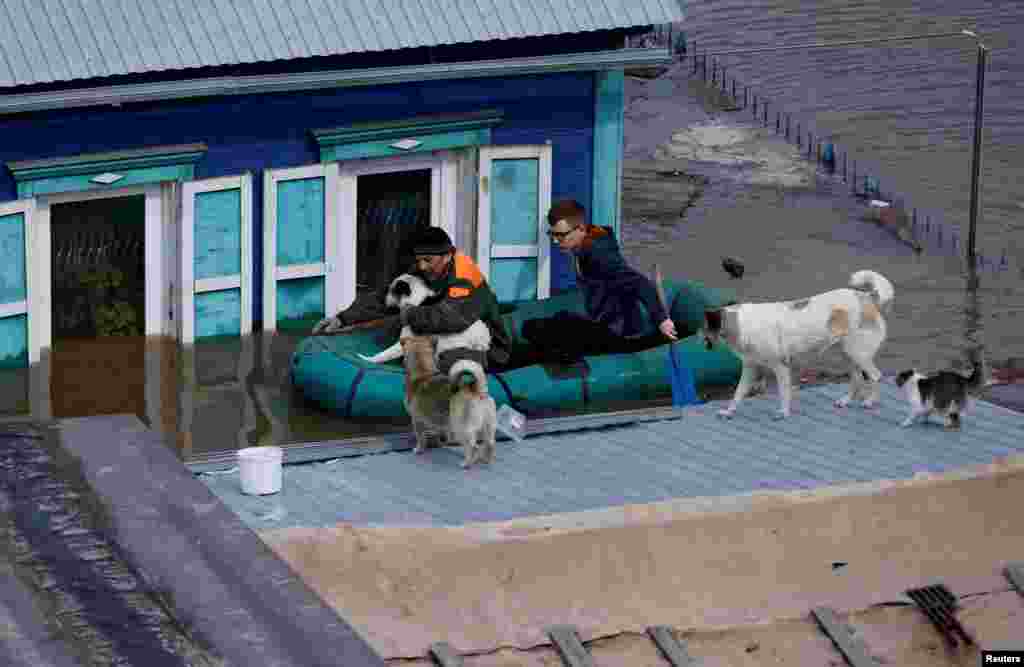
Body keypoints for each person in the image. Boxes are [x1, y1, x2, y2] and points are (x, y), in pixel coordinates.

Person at [315, 227, 511, 373]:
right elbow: (387, 296)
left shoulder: (464, 276)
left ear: (448, 255)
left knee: (434, 359)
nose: (422, 266)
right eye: (419, 260)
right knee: (408, 342)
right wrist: (342, 318)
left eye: (427, 260)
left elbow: (450, 319)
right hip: (447, 337)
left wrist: (409, 313)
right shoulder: (427, 268)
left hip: (487, 349)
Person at [522, 198, 678, 361]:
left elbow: (639, 283)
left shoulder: (599, 255)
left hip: (620, 334)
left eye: (561, 235)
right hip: (605, 321)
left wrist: (662, 320)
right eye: (552, 234)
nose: (555, 240)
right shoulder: (589, 238)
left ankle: (573, 371)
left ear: (581, 228)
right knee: (560, 318)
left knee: (534, 329)